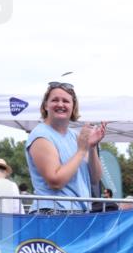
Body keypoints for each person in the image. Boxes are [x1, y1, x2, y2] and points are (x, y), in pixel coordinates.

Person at [25, 82, 104, 212]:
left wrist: (91, 147)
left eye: (66, 101)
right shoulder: (40, 136)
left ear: (73, 107)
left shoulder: (75, 137)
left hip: (79, 213)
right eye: (55, 100)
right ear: (45, 105)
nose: (60, 104)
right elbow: (55, 181)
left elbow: (95, 178)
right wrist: (81, 150)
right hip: (52, 213)